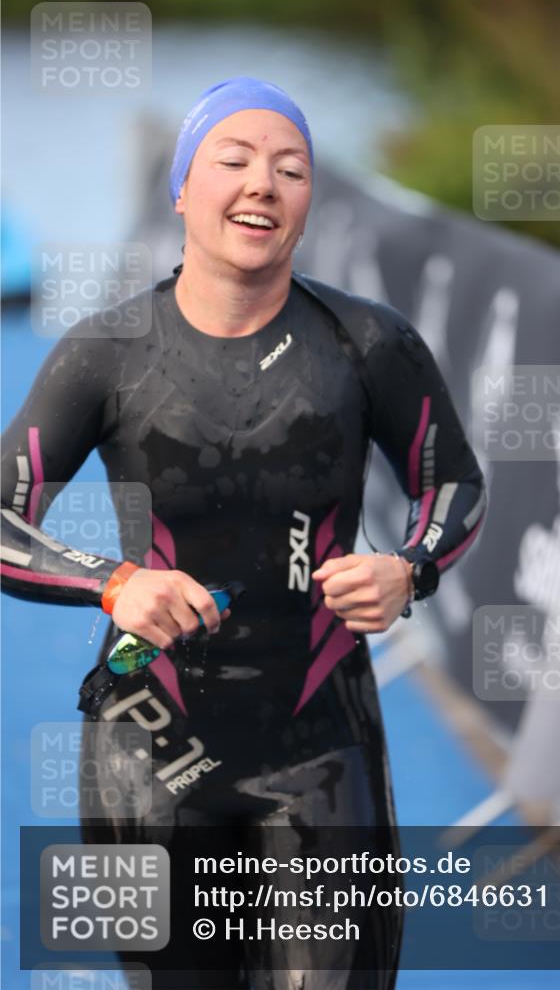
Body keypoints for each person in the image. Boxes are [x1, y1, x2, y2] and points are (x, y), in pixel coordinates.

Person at [1, 77, 486, 989]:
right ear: (182, 189)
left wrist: (408, 570)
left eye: (290, 168)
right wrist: (114, 583)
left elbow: (452, 480)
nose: (262, 183)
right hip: (149, 740)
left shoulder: (369, 346)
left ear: (308, 202)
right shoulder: (105, 354)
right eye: (233, 161)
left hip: (318, 748)